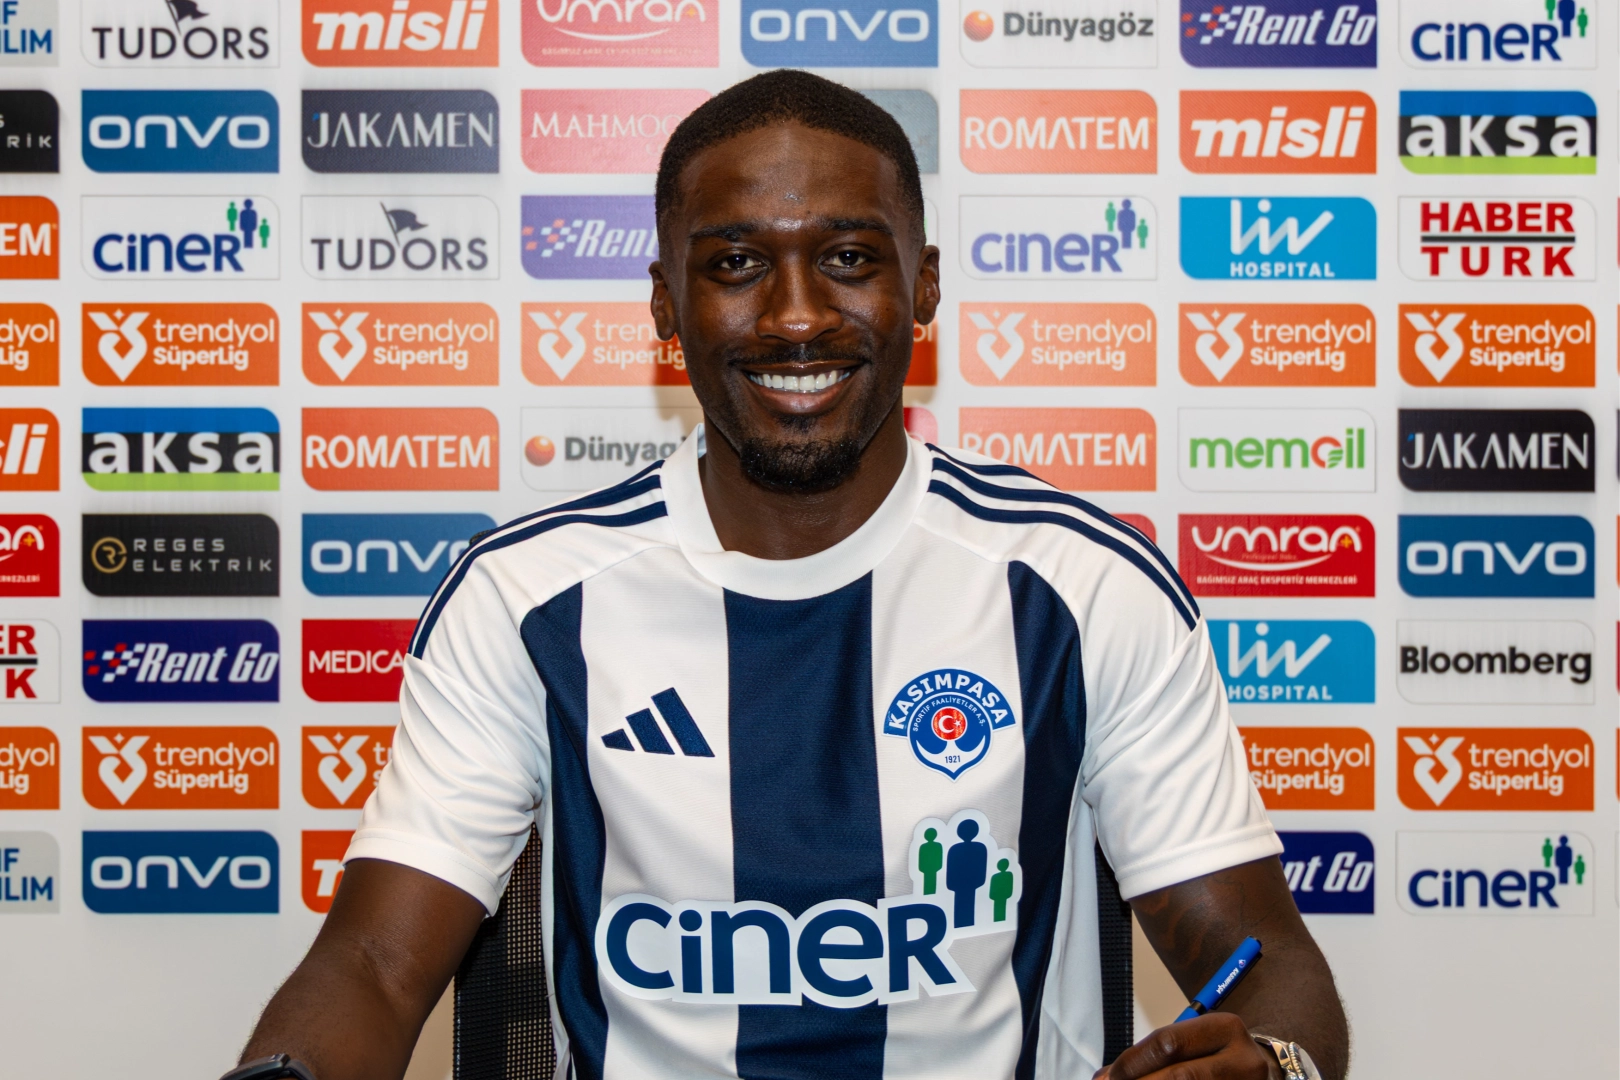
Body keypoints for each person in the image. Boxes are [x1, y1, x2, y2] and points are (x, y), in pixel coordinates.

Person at [234, 71, 1347, 1080]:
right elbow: (375, 964)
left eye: (849, 258)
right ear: (665, 305)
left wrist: (1276, 1064)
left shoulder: (1082, 586)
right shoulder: (524, 600)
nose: (798, 315)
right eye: (736, 265)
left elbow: (1258, 955)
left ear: (924, 286)